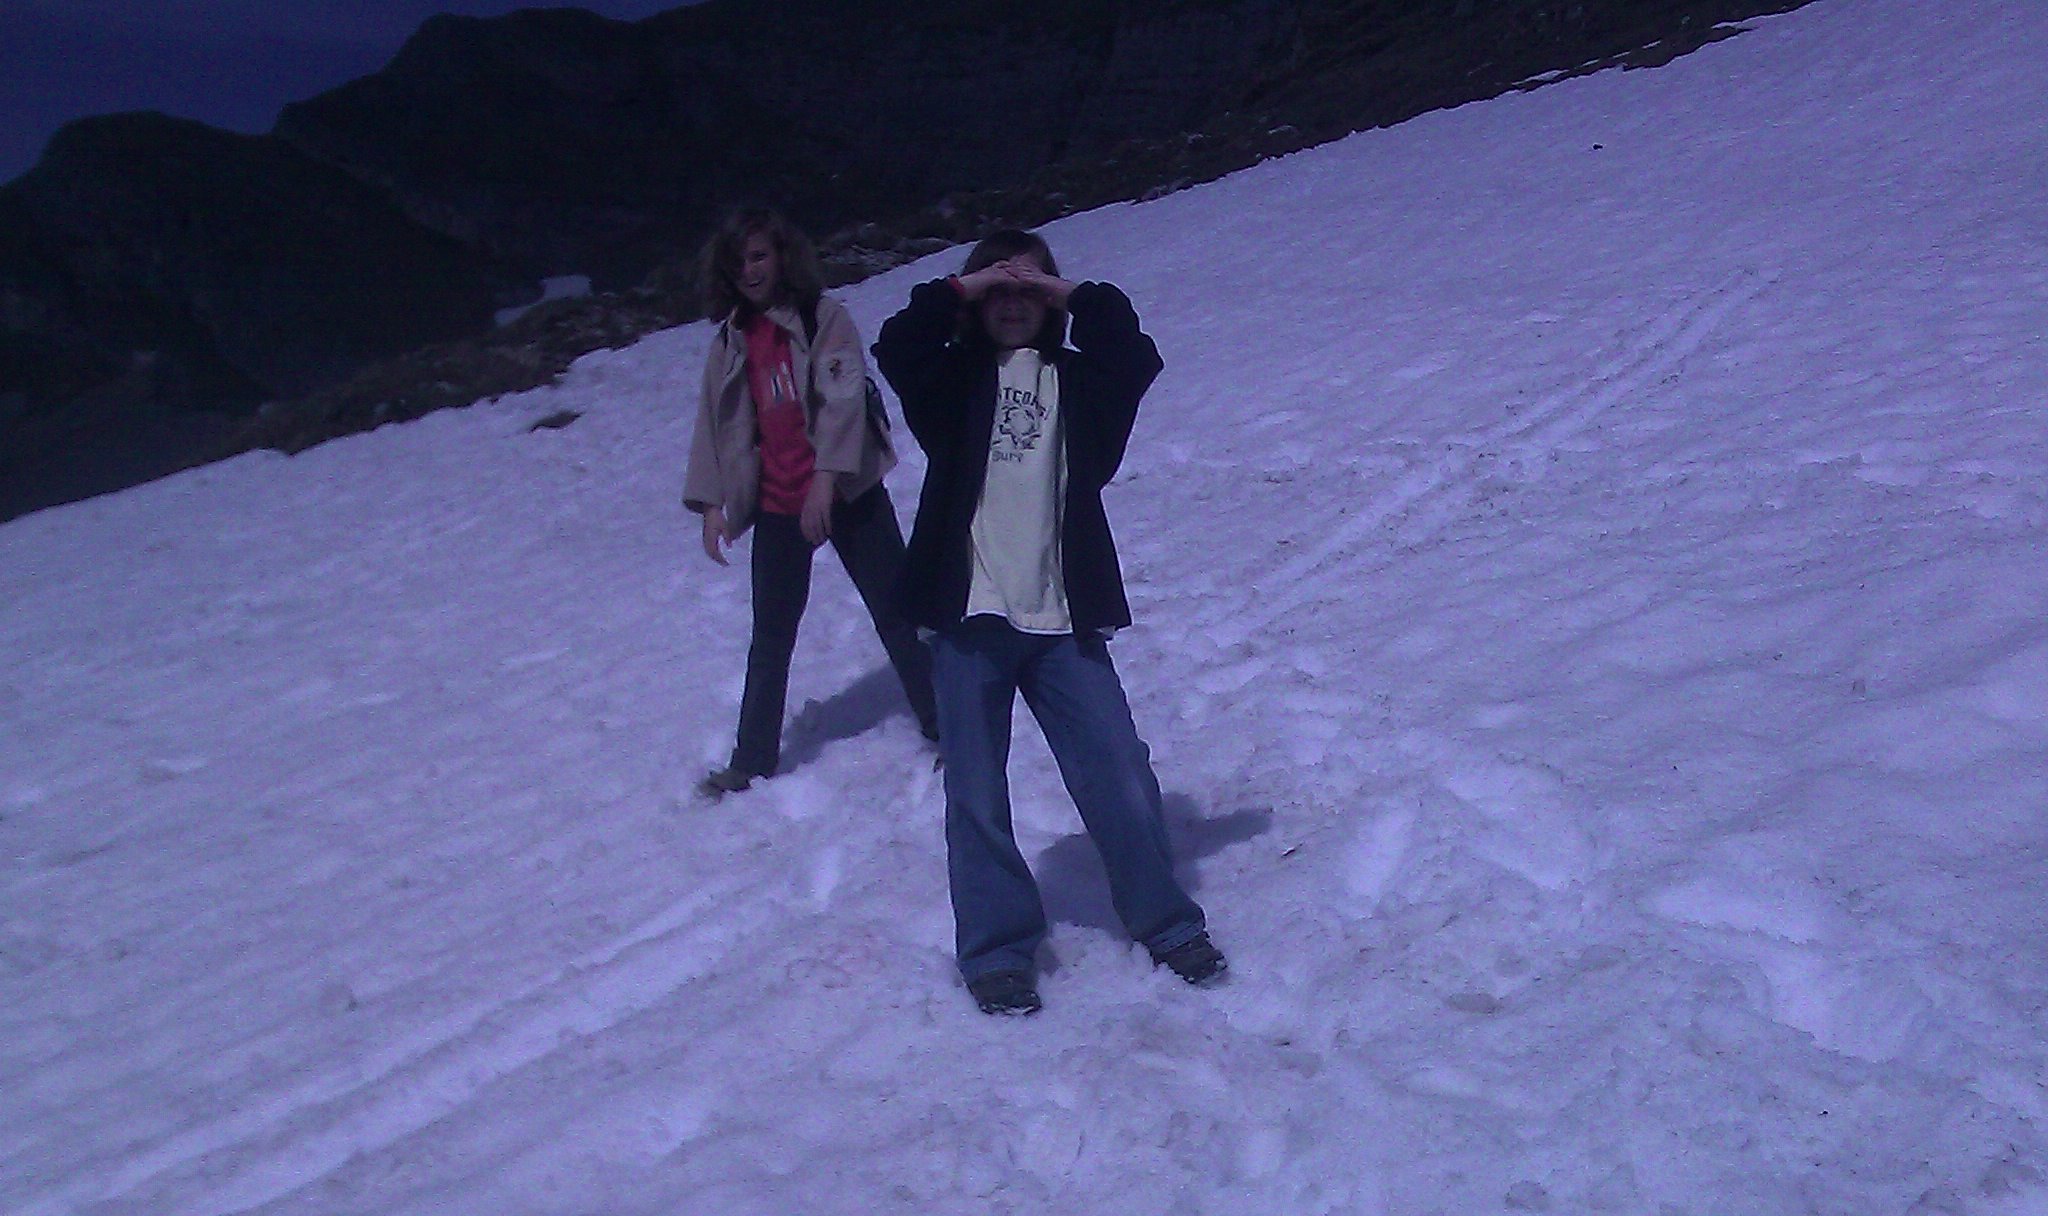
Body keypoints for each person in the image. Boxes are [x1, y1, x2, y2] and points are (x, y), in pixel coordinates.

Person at [872, 228, 1226, 1016]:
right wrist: (963, 288)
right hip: (968, 622)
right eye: (996, 290)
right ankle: (996, 952)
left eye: (1028, 289)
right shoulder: (950, 382)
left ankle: (1167, 922)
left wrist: (1066, 291)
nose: (1012, 302)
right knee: (976, 794)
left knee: (1119, 770)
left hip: (1064, 621)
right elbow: (898, 342)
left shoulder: (1081, 383)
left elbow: (1132, 351)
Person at [683, 208, 937, 797]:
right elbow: (714, 423)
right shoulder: (730, 341)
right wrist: (712, 503)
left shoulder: (823, 317)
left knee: (898, 611)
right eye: (739, 262)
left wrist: (826, 480)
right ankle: (751, 760)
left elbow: (844, 402)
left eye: (760, 256)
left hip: (848, 489)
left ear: (782, 256)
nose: (750, 271)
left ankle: (947, 723)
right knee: (771, 635)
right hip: (777, 500)